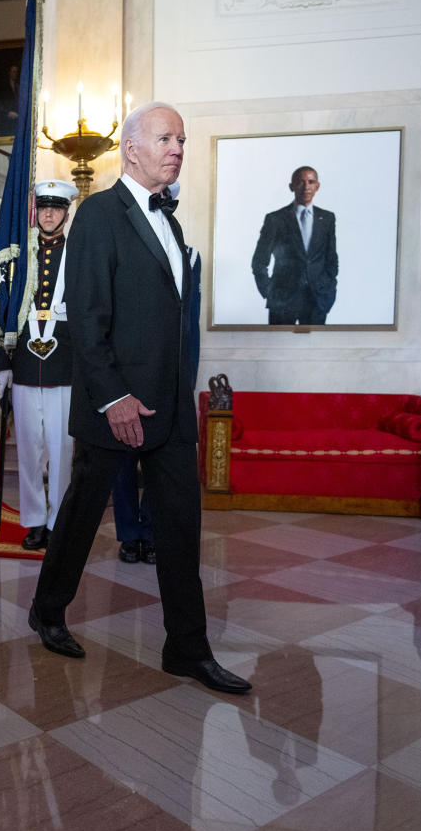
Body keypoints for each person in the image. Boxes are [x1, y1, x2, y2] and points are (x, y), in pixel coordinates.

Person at [28, 102, 251, 695]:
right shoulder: (100, 213)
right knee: (81, 514)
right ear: (130, 149)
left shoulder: (171, 222)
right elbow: (87, 317)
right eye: (164, 138)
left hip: (173, 406)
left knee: (180, 526)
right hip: (117, 404)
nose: (177, 148)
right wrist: (114, 398)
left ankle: (187, 648)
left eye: (182, 138)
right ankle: (48, 609)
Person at [0, 178, 78, 551]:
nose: (48, 214)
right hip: (25, 365)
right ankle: (34, 521)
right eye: (43, 207)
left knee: (61, 451)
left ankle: (59, 520)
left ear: (66, 213)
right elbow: (2, 309)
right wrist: (1, 362)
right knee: (27, 449)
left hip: (64, 367)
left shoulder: (78, 255)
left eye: (55, 208)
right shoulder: (20, 257)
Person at [112, 241, 201, 566]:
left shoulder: (189, 256)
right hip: (127, 378)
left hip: (167, 381)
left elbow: (189, 323)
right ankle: (128, 534)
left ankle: (150, 533)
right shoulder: (124, 250)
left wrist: (186, 381)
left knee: (156, 467)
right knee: (122, 465)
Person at [250, 166, 338, 325]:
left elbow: (331, 258)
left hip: (317, 300)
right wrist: (268, 292)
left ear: (317, 186)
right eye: (300, 182)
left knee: (314, 349)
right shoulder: (275, 219)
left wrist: (328, 289)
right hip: (282, 302)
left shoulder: (327, 219)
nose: (306, 187)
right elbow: (259, 261)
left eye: (311, 182)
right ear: (292, 186)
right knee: (280, 348)